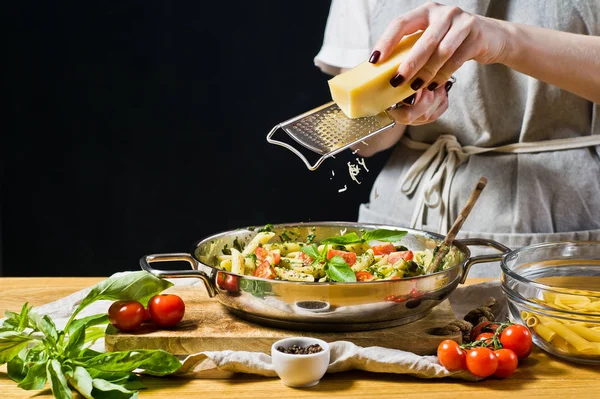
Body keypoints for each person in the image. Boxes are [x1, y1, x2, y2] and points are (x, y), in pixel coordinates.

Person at [314, 1, 600, 277]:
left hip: (554, 216)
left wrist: (505, 40)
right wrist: (398, 103)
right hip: (406, 216)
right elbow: (367, 144)